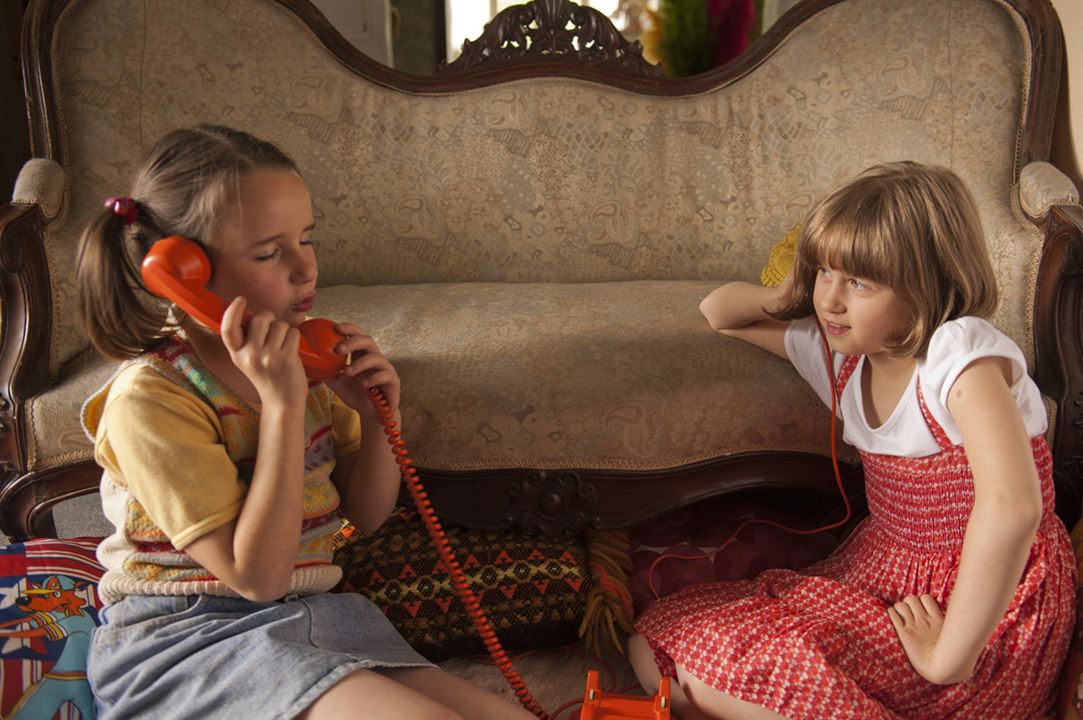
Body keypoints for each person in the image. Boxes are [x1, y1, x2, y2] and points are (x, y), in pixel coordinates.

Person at [75, 124, 533, 720]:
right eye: (269, 253)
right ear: (182, 271)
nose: (305, 269)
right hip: (192, 638)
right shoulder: (153, 400)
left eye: (307, 240)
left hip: (318, 617)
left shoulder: (306, 360)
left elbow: (364, 516)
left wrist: (376, 421)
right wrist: (285, 407)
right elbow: (257, 577)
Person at [629, 161, 1077, 719]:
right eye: (825, 274)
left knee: (717, 672)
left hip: (980, 603)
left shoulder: (959, 355)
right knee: (655, 648)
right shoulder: (844, 358)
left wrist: (947, 659)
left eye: (860, 283)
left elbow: (1013, 508)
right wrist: (793, 291)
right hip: (884, 571)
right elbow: (719, 313)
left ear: (926, 287)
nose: (832, 301)